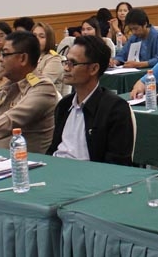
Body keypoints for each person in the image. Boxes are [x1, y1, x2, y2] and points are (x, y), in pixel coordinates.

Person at [47, 36, 133, 165]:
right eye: (66, 62)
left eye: (73, 63)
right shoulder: (64, 105)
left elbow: (117, 164)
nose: (66, 68)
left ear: (94, 69)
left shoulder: (115, 109)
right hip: (56, 167)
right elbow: (53, 149)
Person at [31, 22, 64, 88]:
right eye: (34, 36)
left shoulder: (55, 59)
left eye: (41, 37)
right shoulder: (29, 56)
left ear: (49, 40)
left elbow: (41, 85)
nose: (36, 39)